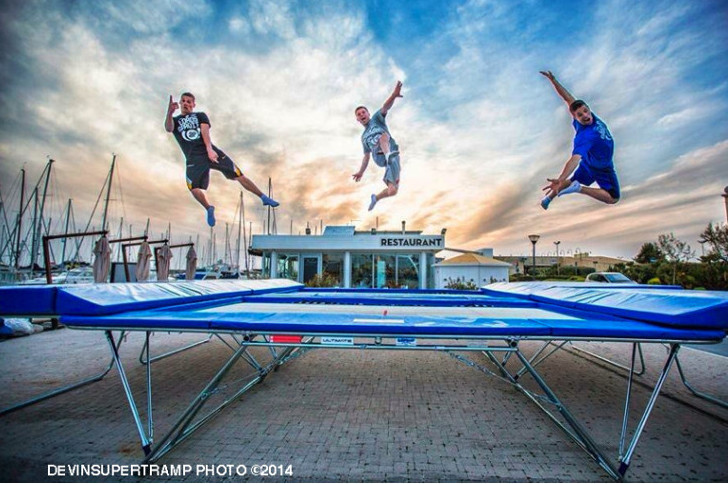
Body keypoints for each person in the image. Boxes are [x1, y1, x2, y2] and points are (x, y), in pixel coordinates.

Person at [165, 92, 279, 227]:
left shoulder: (200, 115)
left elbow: (204, 131)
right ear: (180, 103)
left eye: (189, 102)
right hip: (193, 158)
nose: (186, 103)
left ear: (193, 104)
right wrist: (169, 113)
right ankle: (208, 208)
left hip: (211, 152)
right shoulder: (176, 121)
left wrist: (209, 149)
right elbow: (168, 128)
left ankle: (263, 197)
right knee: (193, 188)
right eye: (183, 101)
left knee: (238, 175)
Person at [539, 71, 620, 210]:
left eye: (585, 111)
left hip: (589, 163)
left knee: (569, 181)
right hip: (603, 168)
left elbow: (568, 98)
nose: (585, 116)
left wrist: (553, 80)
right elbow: (574, 159)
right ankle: (579, 189)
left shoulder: (589, 116)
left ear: (588, 109)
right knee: (613, 198)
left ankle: (548, 198)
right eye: (580, 115)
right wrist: (561, 177)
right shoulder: (585, 136)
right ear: (575, 117)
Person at [352, 81, 403, 211]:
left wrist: (393, 95)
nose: (362, 115)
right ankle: (388, 156)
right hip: (379, 156)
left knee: (393, 191)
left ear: (368, 114)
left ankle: (376, 198)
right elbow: (366, 156)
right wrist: (361, 172)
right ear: (357, 120)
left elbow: (385, 107)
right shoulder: (364, 137)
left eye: (363, 112)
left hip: (393, 155)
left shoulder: (376, 119)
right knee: (382, 136)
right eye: (359, 115)